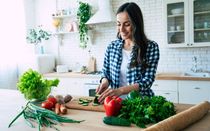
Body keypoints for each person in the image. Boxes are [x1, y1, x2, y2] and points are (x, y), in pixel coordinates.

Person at [96, 2, 160, 103]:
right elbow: (105, 72)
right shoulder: (112, 47)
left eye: (127, 24)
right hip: (115, 103)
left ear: (136, 24)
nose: (121, 29)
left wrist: (120, 90)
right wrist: (105, 81)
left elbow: (146, 81)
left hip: (140, 104)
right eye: (118, 24)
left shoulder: (151, 47)